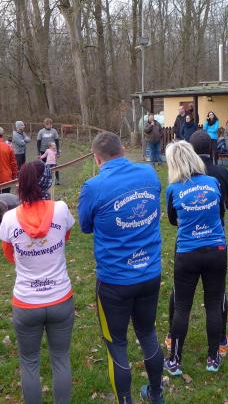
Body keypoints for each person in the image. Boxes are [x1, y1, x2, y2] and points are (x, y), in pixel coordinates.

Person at [77, 132, 164, 404]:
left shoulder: (94, 186)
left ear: (97, 158)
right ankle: (156, 394)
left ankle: (128, 400)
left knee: (116, 345)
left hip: (115, 280)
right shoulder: (149, 173)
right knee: (148, 333)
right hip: (149, 273)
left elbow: (85, 226)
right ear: (124, 150)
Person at [0, 162, 74, 404]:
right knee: (61, 358)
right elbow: (66, 236)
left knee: (29, 362)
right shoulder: (61, 209)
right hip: (60, 298)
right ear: (47, 183)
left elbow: (9, 255)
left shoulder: (9, 218)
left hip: (26, 302)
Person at [163, 141, 228, 376]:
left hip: (187, 252)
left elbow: (172, 220)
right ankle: (213, 358)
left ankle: (174, 361)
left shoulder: (173, 189)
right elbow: (221, 212)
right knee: (214, 304)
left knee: (182, 306)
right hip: (216, 250)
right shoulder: (213, 182)